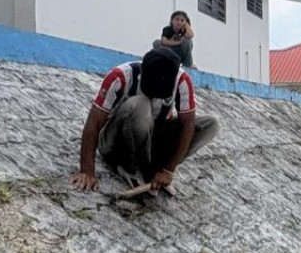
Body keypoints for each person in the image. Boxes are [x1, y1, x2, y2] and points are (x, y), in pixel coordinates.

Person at [71, 48, 219, 193]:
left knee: (209, 125)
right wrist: (87, 171)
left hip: (151, 141)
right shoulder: (120, 76)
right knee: (141, 104)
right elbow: (95, 121)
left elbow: (188, 124)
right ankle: (130, 167)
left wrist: (168, 170)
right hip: (115, 142)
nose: (154, 98)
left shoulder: (182, 81)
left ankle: (155, 168)